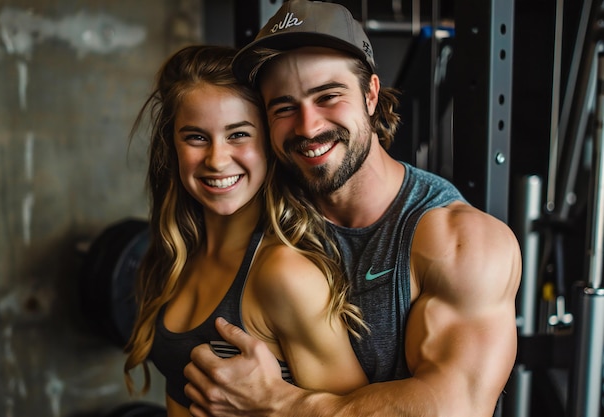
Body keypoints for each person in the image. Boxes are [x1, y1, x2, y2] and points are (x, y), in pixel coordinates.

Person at [182, 1, 523, 416]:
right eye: (284, 107)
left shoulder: (461, 243)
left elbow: (455, 409)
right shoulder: (260, 203)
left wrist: (278, 404)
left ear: (371, 94)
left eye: (328, 96)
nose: (308, 127)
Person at [122, 44, 369, 417]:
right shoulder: (175, 256)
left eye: (238, 135)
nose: (217, 159)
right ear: (172, 145)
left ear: (269, 143)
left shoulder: (284, 275)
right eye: (196, 137)